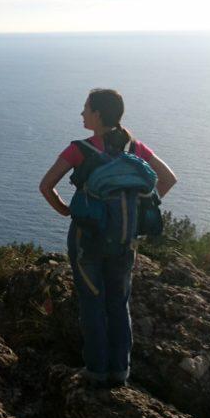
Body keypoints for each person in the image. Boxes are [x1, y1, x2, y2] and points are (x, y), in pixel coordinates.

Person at [39, 88, 177, 388]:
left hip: (86, 240)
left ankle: (96, 370)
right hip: (125, 241)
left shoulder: (79, 150)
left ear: (98, 114)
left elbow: (46, 185)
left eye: (86, 108)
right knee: (118, 304)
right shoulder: (135, 148)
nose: (82, 113)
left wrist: (65, 211)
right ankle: (120, 372)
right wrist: (138, 211)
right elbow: (168, 179)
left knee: (92, 303)